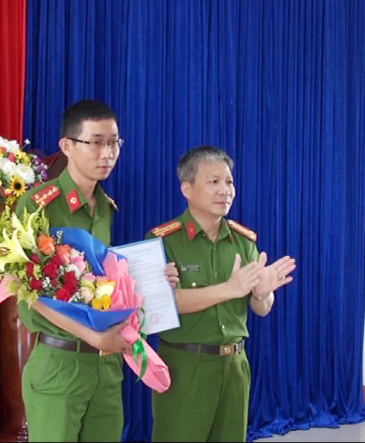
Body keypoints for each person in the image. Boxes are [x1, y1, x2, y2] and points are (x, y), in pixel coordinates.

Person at [16, 99, 177, 442]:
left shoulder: (106, 207)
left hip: (106, 366)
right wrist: (93, 337)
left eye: (114, 142)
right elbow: (22, 288)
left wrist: (153, 283)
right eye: (97, 142)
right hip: (61, 361)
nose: (108, 153)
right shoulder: (37, 204)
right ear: (67, 146)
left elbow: (101, 286)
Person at [147, 146, 297, 442]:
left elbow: (260, 308)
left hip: (235, 366)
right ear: (187, 189)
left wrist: (262, 293)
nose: (225, 190)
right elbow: (161, 304)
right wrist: (229, 289)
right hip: (185, 367)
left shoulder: (244, 241)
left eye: (229, 182)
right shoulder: (163, 240)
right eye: (213, 182)